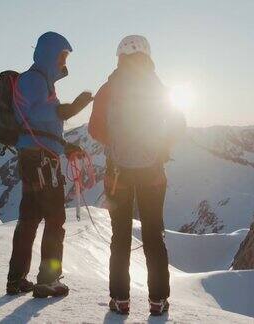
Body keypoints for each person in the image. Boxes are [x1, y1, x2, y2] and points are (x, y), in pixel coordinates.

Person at [88, 35, 186, 315]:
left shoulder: (109, 88)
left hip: (117, 174)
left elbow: (94, 129)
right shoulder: (156, 86)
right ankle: (158, 301)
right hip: (152, 174)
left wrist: (116, 144)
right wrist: (160, 147)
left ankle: (120, 300)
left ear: (120, 56)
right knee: (154, 236)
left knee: (119, 238)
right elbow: (179, 123)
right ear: (147, 55)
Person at [6, 32, 93, 297]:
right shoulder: (34, 80)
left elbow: (39, 124)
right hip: (42, 162)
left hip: (35, 158)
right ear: (49, 54)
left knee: (30, 219)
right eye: (62, 56)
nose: (64, 61)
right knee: (55, 219)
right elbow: (32, 114)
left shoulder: (38, 80)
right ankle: (48, 279)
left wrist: (65, 147)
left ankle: (16, 279)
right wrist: (70, 108)